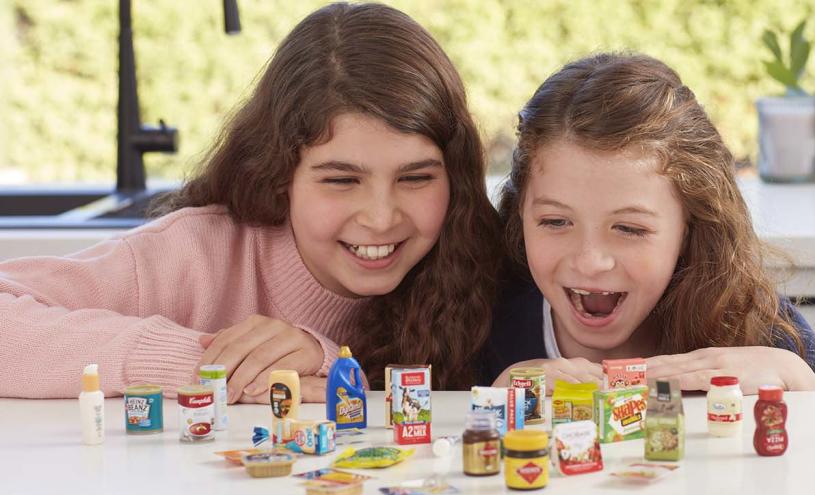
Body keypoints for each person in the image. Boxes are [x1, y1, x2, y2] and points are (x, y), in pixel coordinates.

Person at [0, 3, 500, 401]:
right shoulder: (194, 254)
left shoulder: (482, 267)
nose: (380, 217)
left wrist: (322, 360)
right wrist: (203, 363)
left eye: (415, 178)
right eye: (341, 181)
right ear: (281, 173)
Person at [483, 53, 815, 394]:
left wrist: (800, 381)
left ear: (689, 227)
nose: (590, 261)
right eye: (556, 221)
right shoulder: (482, 330)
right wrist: (487, 408)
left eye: (629, 229)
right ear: (521, 215)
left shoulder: (755, 327)